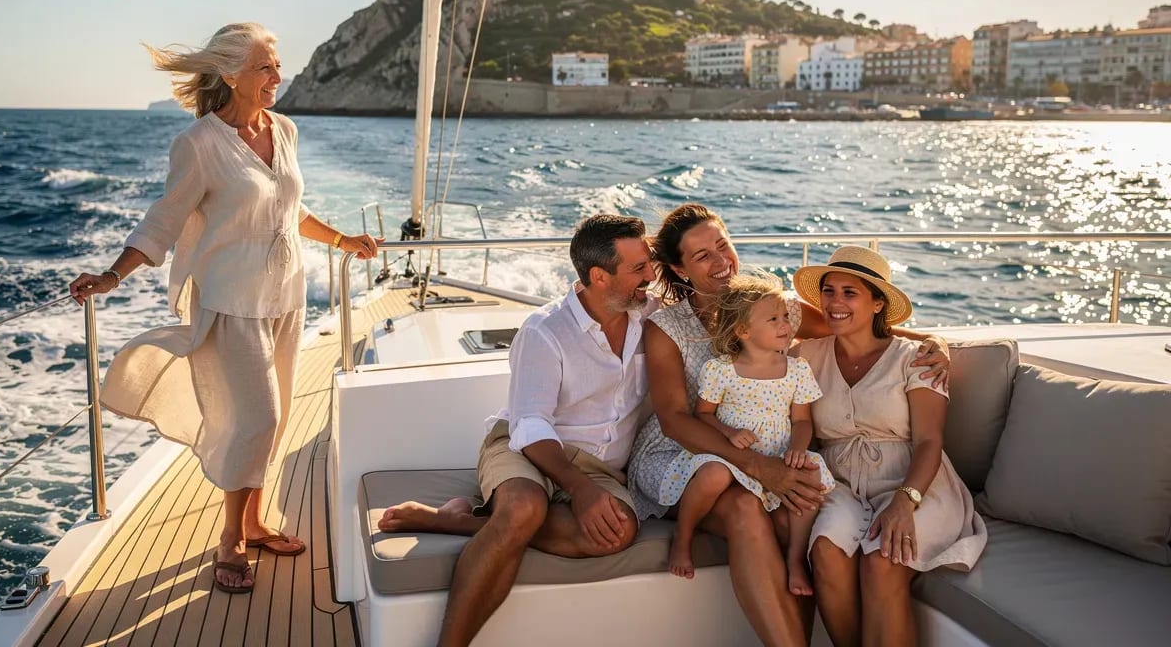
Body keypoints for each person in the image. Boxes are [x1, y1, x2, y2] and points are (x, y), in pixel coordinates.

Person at [68, 22, 380, 595]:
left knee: (275, 417)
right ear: (232, 75)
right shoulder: (200, 144)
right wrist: (114, 273)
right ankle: (231, 538)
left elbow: (291, 210)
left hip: (285, 296)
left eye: (277, 65)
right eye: (265, 67)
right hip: (231, 303)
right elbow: (165, 217)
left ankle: (257, 521)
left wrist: (343, 241)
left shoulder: (283, 130)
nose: (277, 77)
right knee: (257, 418)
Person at [627, 203, 950, 647]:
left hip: (757, 453)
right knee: (745, 510)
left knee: (795, 520)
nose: (721, 262)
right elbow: (675, 420)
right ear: (680, 269)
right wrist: (761, 467)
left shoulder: (773, 307)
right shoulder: (667, 327)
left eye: (723, 245)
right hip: (682, 453)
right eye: (702, 256)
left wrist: (934, 343)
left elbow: (861, 328)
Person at [376, 214, 657, 647]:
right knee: (524, 509)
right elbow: (531, 424)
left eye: (650, 262)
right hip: (528, 446)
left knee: (615, 531)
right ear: (599, 276)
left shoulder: (649, 315)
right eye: (638, 268)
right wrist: (580, 489)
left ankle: (457, 522)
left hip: (600, 465)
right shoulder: (545, 331)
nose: (650, 275)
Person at [791, 245, 987, 647]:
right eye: (829, 292)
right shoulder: (806, 355)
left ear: (878, 303)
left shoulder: (916, 359)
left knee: (883, 561)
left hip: (915, 480)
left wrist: (905, 499)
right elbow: (755, 314)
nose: (835, 303)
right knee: (826, 553)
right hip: (840, 482)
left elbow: (931, 440)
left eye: (850, 293)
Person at [662, 272, 836, 599]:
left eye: (785, 317)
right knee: (712, 474)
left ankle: (796, 558)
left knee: (811, 476)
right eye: (773, 319)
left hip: (779, 454)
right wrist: (728, 433)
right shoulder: (721, 369)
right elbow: (703, 414)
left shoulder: (796, 369)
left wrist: (798, 449)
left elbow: (802, 422)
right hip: (731, 456)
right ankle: (683, 539)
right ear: (743, 331)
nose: (785, 325)